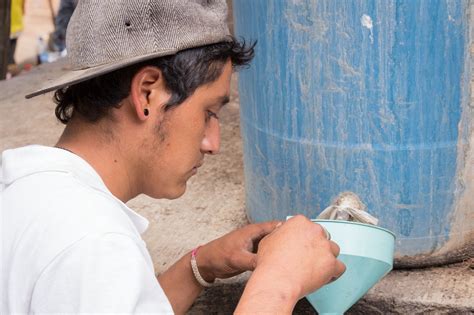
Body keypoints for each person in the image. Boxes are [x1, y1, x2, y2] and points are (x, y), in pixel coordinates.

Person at [1, 1, 345, 314]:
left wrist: (197, 268)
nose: (213, 144)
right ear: (147, 92)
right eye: (209, 112)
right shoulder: (94, 246)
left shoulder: (26, 188)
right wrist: (278, 284)